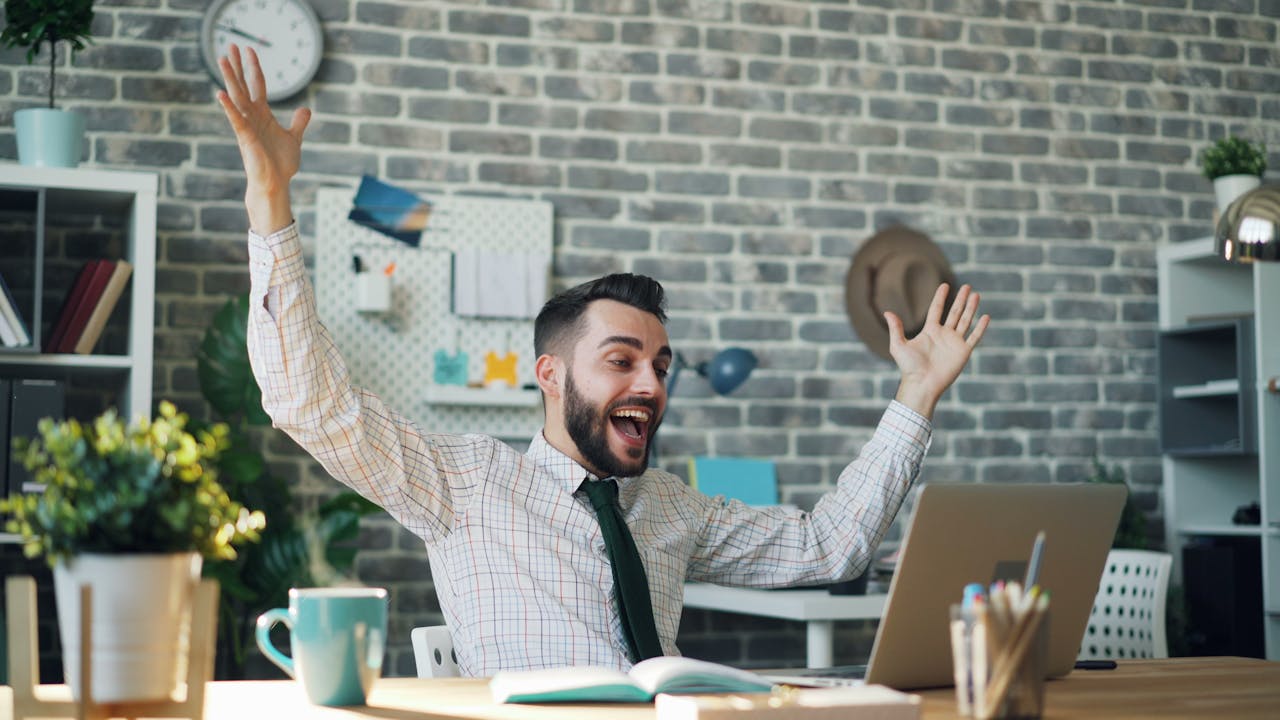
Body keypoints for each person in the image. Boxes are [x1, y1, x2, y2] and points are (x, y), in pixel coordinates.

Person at [215, 45, 990, 676]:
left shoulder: (674, 507)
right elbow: (310, 405)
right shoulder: (467, 483)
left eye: (660, 364)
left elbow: (830, 545)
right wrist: (269, 204)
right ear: (550, 376)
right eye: (621, 360)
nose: (650, 384)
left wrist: (917, 392)